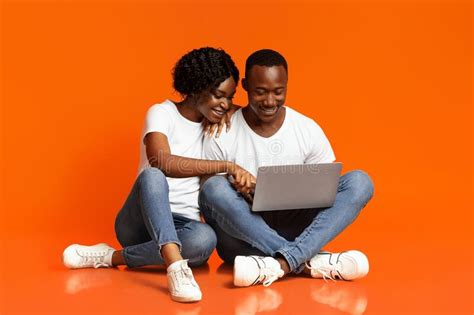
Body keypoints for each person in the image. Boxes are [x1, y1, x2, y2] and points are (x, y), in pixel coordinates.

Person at [62, 47, 254, 302]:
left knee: (206, 239)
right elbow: (162, 161)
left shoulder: (216, 120)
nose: (225, 104)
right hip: (139, 223)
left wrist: (233, 110)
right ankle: (176, 268)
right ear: (197, 87)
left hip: (183, 225)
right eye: (219, 96)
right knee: (153, 175)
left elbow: (254, 113)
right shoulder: (162, 113)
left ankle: (110, 257)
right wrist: (227, 165)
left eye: (230, 98)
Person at [199, 49, 375, 287]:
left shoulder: (306, 128)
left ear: (286, 87)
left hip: (296, 230)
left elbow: (325, 191)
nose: (270, 101)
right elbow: (208, 202)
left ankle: (279, 264)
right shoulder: (222, 131)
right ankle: (308, 260)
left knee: (360, 181)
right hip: (243, 240)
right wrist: (240, 190)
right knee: (214, 186)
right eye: (260, 92)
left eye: (278, 92)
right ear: (245, 86)